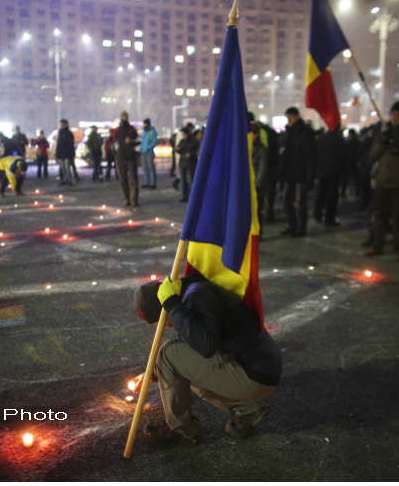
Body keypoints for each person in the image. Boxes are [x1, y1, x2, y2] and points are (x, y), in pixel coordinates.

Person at [133, 274, 282, 446]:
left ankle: (179, 428)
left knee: (168, 353)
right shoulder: (191, 293)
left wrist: (172, 305)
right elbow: (191, 351)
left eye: (158, 322)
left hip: (255, 376)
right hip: (258, 370)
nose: (161, 326)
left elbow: (205, 347)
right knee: (183, 361)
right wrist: (152, 374)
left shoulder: (196, 296)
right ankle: (247, 409)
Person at [364, 101, 399, 261]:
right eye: (393, 114)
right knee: (380, 217)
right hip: (383, 181)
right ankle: (377, 246)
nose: (395, 118)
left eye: (398, 115)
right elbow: (373, 155)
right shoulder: (384, 133)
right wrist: (384, 142)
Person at [278, 106, 317, 238]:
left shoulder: (305, 132)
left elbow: (311, 155)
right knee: (286, 200)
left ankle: (301, 228)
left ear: (296, 116)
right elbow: (283, 148)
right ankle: (292, 224)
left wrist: (310, 175)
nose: (288, 120)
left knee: (300, 202)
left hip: (301, 172)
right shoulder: (287, 132)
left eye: (290, 117)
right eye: (287, 117)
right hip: (289, 171)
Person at [312, 127, 347, 227]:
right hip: (334, 171)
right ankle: (329, 218)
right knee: (332, 196)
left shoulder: (322, 137)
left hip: (322, 170)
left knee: (321, 193)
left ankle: (317, 214)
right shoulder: (339, 139)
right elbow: (344, 156)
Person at [250, 121, 272, 238]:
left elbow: (262, 169)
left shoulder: (262, 149)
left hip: (256, 185)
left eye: (251, 134)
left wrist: (257, 186)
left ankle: (257, 234)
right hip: (245, 185)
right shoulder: (242, 148)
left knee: (257, 212)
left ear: (256, 134)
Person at [115, 111, 141, 207]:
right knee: (123, 180)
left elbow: (138, 141)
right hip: (121, 157)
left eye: (125, 116)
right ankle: (126, 198)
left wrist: (132, 142)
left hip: (131, 157)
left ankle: (134, 199)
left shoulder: (132, 129)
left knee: (133, 179)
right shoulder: (117, 130)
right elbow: (114, 143)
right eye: (123, 116)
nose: (124, 118)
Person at [176, 126, 201, 202]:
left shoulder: (194, 140)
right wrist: (178, 149)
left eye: (185, 134)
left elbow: (197, 150)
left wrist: (191, 154)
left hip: (191, 163)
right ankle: (185, 196)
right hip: (183, 162)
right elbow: (179, 149)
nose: (184, 135)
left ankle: (193, 196)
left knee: (192, 180)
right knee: (183, 181)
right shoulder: (182, 141)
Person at [55, 119, 76, 186]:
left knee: (67, 167)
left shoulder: (68, 133)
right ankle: (65, 179)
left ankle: (69, 180)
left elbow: (70, 144)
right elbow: (59, 144)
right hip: (62, 153)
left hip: (67, 154)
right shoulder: (60, 133)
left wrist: (69, 152)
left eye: (62, 124)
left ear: (66, 124)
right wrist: (57, 153)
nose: (61, 126)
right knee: (63, 168)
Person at [140, 118, 159, 189]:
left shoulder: (152, 132)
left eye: (144, 124)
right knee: (145, 168)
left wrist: (148, 147)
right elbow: (142, 142)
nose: (144, 125)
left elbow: (155, 141)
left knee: (151, 168)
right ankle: (147, 182)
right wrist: (141, 149)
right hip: (143, 152)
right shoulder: (144, 132)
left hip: (149, 152)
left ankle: (153, 183)